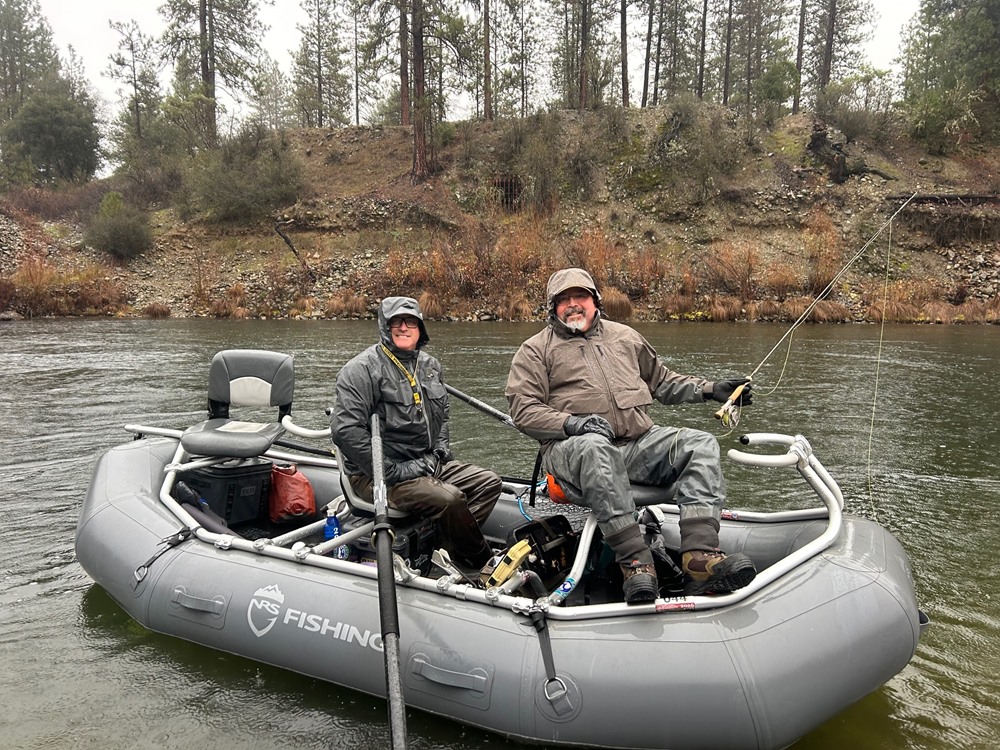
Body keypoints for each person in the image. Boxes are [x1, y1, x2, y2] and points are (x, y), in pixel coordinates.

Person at [505, 268, 756, 604]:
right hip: (572, 452)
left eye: (580, 296)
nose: (572, 305)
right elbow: (524, 411)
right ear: (552, 308)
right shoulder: (534, 351)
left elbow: (664, 383)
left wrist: (712, 390)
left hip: (636, 445)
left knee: (699, 443)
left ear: (595, 301)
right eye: (563, 300)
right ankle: (635, 562)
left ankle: (699, 558)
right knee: (595, 447)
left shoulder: (626, 337)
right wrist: (572, 424)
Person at [332, 296, 501, 575]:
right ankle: (483, 562)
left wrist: (441, 447)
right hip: (376, 475)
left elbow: (442, 413)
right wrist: (389, 470)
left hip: (424, 463)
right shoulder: (360, 370)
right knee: (450, 499)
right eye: (395, 321)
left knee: (489, 483)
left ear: (421, 328)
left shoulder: (430, 366)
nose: (403, 327)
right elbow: (345, 431)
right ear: (385, 327)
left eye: (410, 321)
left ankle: (442, 552)